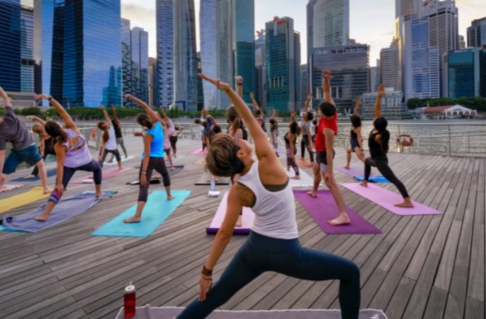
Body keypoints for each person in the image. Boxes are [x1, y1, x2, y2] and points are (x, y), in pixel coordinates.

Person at [178, 73, 360, 319]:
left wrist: (206, 273)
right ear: (240, 154)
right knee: (350, 272)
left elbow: (224, 233)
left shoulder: (237, 190)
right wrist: (230, 91)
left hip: (253, 251)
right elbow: (250, 119)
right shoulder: (267, 162)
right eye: (236, 140)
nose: (239, 137)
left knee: (215, 295)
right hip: (287, 253)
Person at [0, 74, 49, 213]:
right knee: (41, 165)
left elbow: (1, 155)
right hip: (31, 148)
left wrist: (1, 172)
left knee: (1, 179)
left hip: (18, 152)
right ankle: (45, 188)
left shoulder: (0, 134)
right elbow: (5, 96)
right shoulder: (10, 115)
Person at [33, 94, 103, 221]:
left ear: (49, 134)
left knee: (59, 189)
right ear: (59, 126)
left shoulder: (58, 145)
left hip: (70, 166)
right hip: (87, 162)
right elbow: (62, 111)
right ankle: (98, 192)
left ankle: (45, 214)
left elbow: (60, 164)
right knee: (97, 168)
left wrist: (59, 184)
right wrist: (50, 99)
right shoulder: (73, 128)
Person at [308, 70, 351, 226]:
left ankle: (343, 214)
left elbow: (328, 151)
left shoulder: (328, 129)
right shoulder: (331, 108)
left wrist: (330, 172)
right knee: (314, 169)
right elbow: (326, 91)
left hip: (323, 153)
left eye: (319, 112)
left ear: (324, 115)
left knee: (330, 182)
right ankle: (314, 190)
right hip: (319, 153)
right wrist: (325, 79)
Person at [124, 93, 174, 223]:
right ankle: (169, 195)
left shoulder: (147, 135)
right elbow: (145, 106)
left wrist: (144, 174)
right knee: (165, 174)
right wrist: (133, 98)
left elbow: (146, 155)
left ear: (142, 124)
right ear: (149, 117)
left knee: (143, 186)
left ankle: (137, 216)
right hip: (160, 158)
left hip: (150, 160)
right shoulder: (158, 123)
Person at [362, 84, 414, 207]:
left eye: (375, 119)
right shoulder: (378, 130)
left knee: (393, 179)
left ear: (376, 124)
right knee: (366, 161)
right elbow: (377, 110)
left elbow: (380, 139)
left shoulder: (378, 136)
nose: (374, 118)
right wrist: (379, 97)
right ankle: (365, 181)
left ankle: (407, 200)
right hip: (376, 159)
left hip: (380, 161)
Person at [97, 105, 122, 170]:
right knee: (118, 156)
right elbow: (107, 117)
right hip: (114, 147)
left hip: (106, 148)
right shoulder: (111, 127)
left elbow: (103, 145)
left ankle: (98, 171)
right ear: (105, 125)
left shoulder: (103, 133)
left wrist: (100, 156)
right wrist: (104, 109)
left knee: (101, 161)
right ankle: (120, 167)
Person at [344, 99, 365, 169]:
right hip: (353, 142)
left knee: (360, 157)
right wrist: (357, 104)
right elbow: (356, 111)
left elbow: (359, 138)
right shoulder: (354, 124)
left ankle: (368, 169)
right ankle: (347, 165)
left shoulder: (357, 128)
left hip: (356, 143)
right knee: (348, 151)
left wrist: (361, 148)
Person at [284, 111, 301, 180]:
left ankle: (297, 175)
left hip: (291, 149)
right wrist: (292, 115)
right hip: (289, 148)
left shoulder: (291, 134)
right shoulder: (291, 131)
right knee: (288, 159)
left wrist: (292, 155)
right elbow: (293, 121)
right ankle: (288, 168)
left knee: (291, 161)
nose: (289, 123)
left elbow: (291, 144)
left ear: (291, 126)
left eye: (290, 124)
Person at [300, 93, 315, 163]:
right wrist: (308, 100)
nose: (304, 113)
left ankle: (312, 161)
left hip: (306, 136)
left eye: (305, 114)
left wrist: (310, 143)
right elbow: (306, 107)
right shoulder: (304, 119)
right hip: (304, 135)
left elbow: (309, 134)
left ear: (307, 116)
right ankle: (302, 157)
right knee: (302, 143)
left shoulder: (307, 123)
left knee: (309, 148)